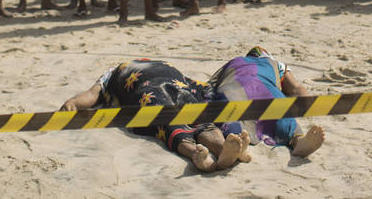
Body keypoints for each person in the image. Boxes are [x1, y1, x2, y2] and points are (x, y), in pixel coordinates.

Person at [60, 59, 250, 172]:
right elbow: (93, 94)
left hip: (176, 86)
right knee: (167, 121)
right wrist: (74, 102)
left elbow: (192, 83)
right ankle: (198, 155)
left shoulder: (155, 64)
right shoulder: (111, 75)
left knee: (198, 115)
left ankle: (224, 150)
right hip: (146, 93)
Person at [210, 46, 324, 156]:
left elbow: (210, 86)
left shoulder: (232, 62)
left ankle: (236, 140)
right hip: (262, 86)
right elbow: (298, 90)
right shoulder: (276, 64)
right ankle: (297, 140)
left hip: (232, 87)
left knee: (229, 116)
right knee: (281, 113)